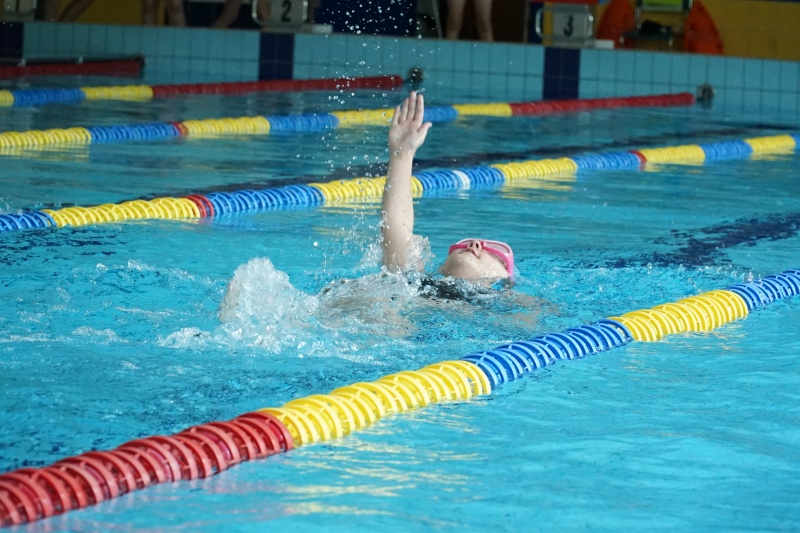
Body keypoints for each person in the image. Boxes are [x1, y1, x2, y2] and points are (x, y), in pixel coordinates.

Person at [381, 90, 513, 284]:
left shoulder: (513, 309)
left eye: (495, 252)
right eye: (461, 246)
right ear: (442, 268)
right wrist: (402, 154)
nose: (475, 244)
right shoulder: (412, 284)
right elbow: (396, 229)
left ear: (507, 281)